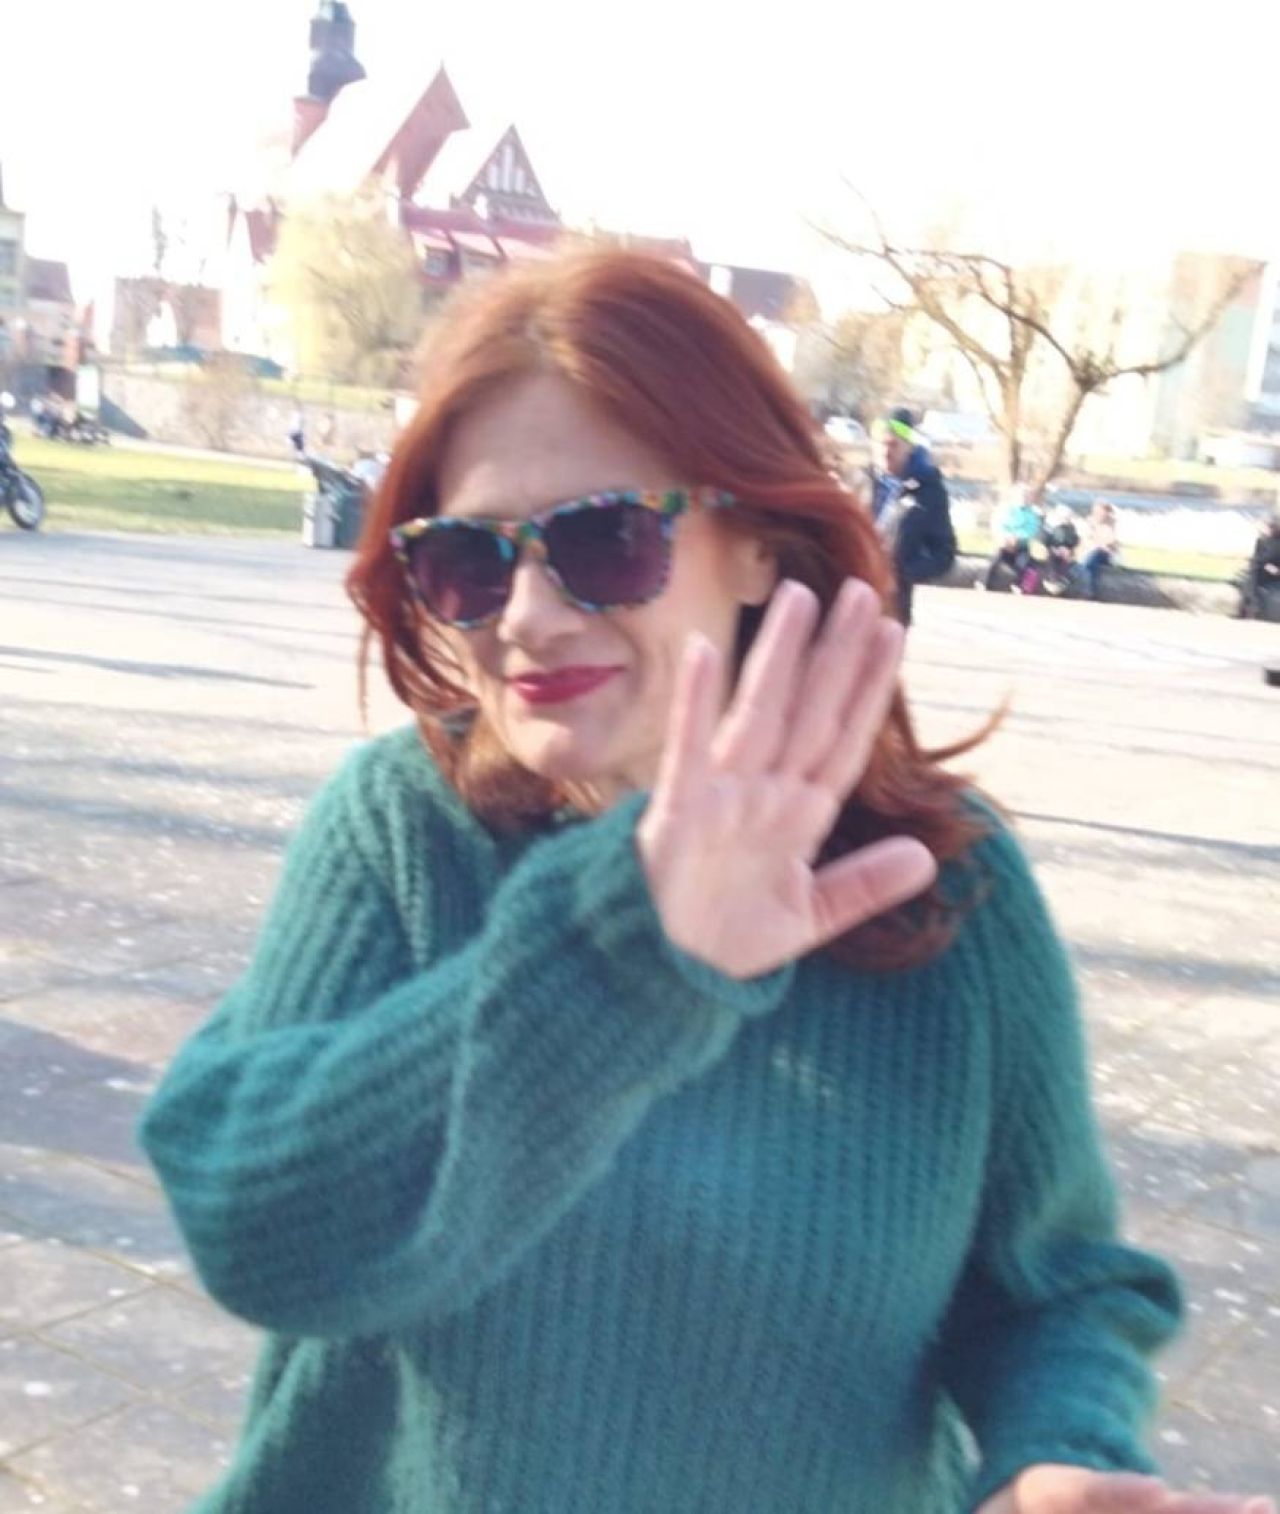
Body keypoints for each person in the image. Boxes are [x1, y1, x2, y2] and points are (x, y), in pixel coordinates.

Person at [138, 252, 1271, 1514]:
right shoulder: (401, 832)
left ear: (757, 548)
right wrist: (622, 953)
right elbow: (255, 1230)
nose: (527, 615)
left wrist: (1056, 1451)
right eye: (467, 559)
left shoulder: (939, 883)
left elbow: (1050, 1289)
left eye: (603, 538)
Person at [867, 406, 956, 625]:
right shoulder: (860, 483)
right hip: (849, 597)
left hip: (892, 607)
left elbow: (944, 553)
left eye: (893, 445)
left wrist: (903, 573)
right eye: (880, 445)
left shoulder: (928, 489)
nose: (885, 452)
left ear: (908, 447)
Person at [981, 484, 1043, 592]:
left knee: (1023, 563)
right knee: (994, 559)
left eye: (1027, 496)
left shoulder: (1032, 514)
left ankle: (1017, 585)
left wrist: (1018, 537)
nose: (1024, 499)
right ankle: (983, 582)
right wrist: (1006, 537)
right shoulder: (1006, 510)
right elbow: (1000, 525)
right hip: (1005, 543)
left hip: (1021, 545)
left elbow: (1032, 529)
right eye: (1022, 496)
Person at [1234, 515, 1280, 620]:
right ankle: (1249, 607)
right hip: (1260, 569)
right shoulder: (1262, 541)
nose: (1269, 529)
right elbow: (1257, 558)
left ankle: (1249, 608)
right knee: (1250, 575)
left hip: (1273, 572)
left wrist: (1275, 569)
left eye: (1273, 527)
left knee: (1251, 577)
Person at [1081, 499, 1120, 601]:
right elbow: (1087, 540)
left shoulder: (1112, 523)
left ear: (1107, 512)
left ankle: (1090, 591)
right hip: (1093, 552)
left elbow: (1112, 541)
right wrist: (1101, 544)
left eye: (1102, 512)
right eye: (1097, 512)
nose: (1099, 514)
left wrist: (1102, 544)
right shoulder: (1090, 521)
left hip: (1107, 554)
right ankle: (1090, 591)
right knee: (1091, 562)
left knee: (1091, 560)